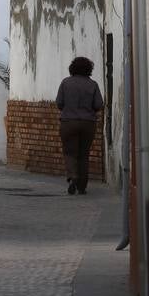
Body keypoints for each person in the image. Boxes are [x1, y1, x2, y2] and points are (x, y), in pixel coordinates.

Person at [56, 56, 104, 195]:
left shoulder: (65, 83)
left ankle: (72, 177)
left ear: (72, 68)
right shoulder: (93, 84)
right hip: (88, 123)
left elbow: (59, 103)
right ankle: (82, 187)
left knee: (70, 152)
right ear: (89, 69)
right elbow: (98, 104)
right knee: (83, 154)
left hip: (68, 122)